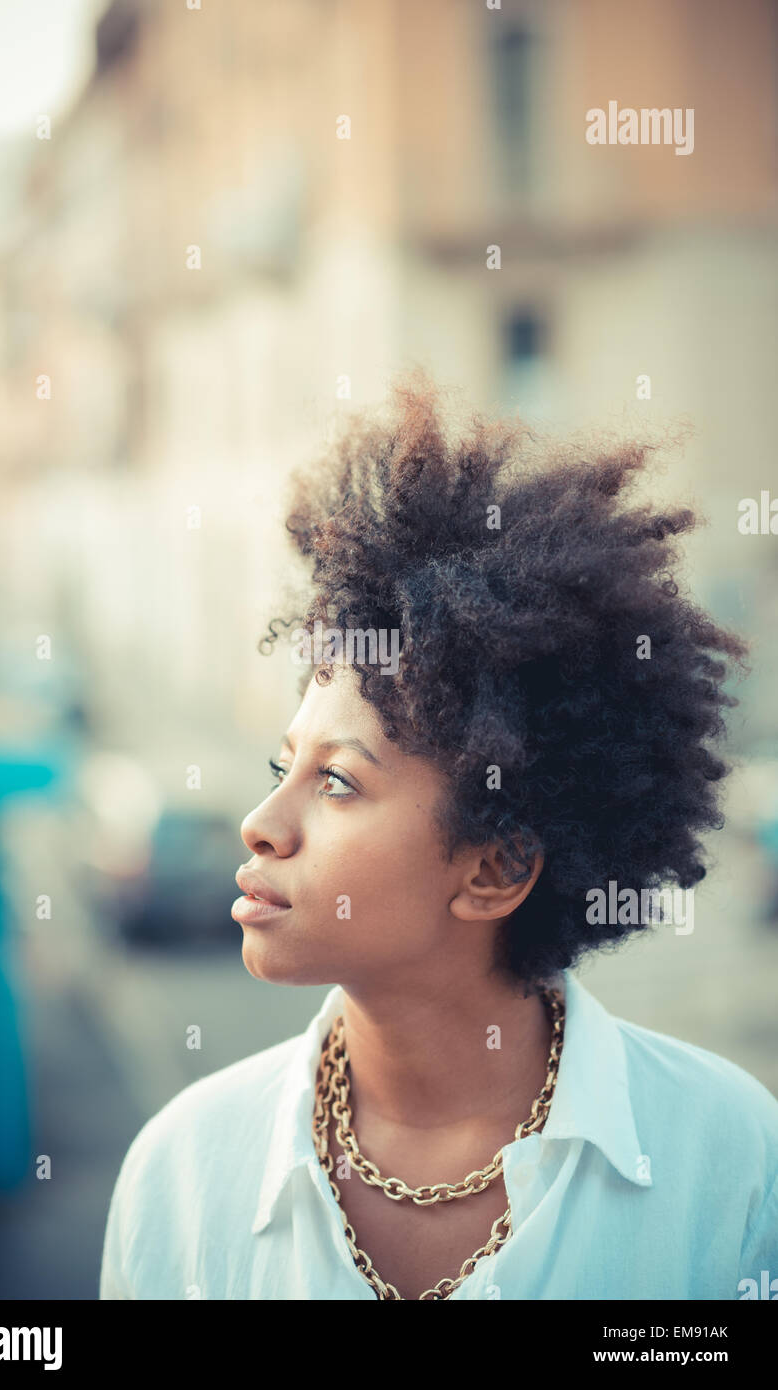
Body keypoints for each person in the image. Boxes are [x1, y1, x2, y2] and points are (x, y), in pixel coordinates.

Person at [100, 369, 778, 1300]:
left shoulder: (729, 1161)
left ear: (495, 868)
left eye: (335, 781)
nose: (259, 825)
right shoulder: (181, 1172)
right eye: (280, 768)